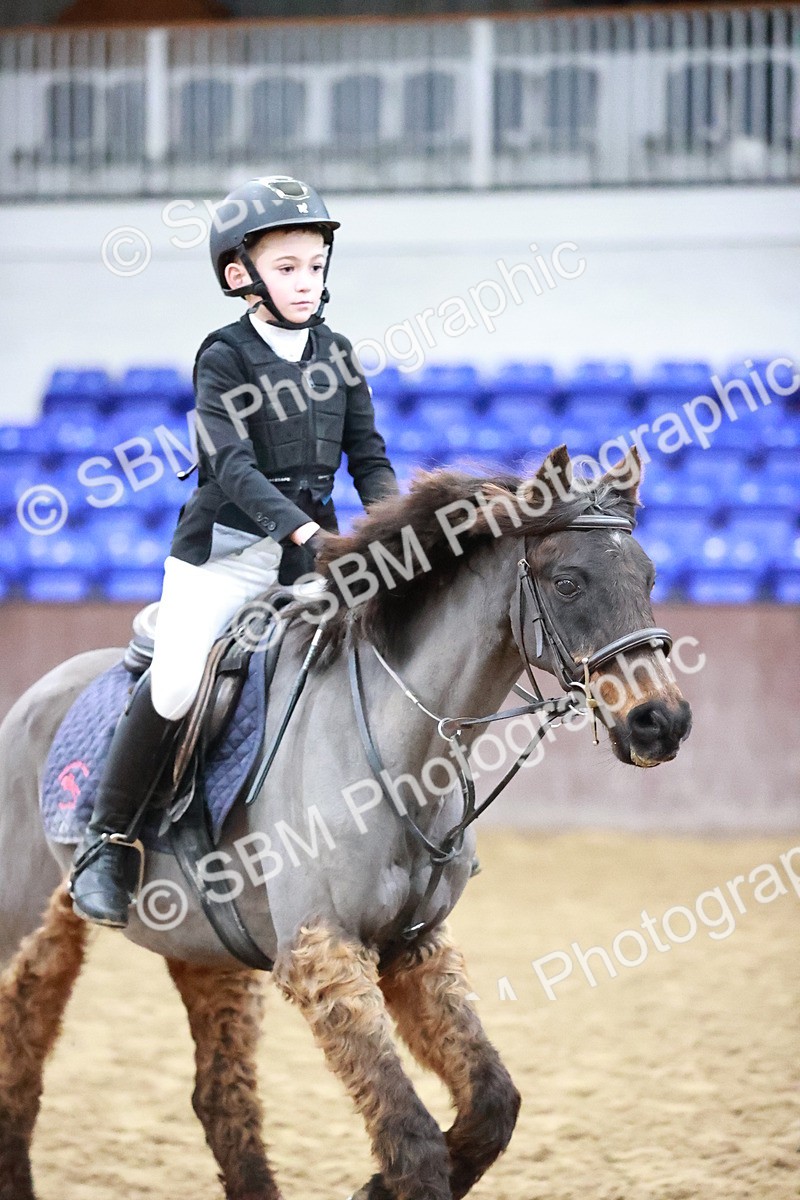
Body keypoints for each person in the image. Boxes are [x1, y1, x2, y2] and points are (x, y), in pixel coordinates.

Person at [69, 174, 398, 929]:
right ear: (239, 275)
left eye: (315, 265)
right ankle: (107, 840)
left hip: (304, 560)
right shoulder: (222, 357)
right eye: (287, 267)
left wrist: (391, 524)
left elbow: (369, 456)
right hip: (220, 560)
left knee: (366, 658)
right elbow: (233, 468)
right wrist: (311, 534)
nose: (307, 281)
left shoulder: (340, 354)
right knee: (180, 682)